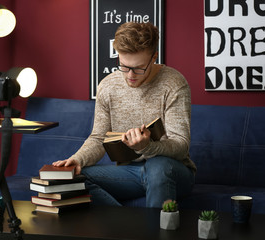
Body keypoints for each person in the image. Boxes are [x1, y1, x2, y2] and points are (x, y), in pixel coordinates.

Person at [53, 22, 196, 208]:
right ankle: (125, 225)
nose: (130, 75)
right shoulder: (108, 86)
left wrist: (148, 146)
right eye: (124, 66)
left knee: (158, 167)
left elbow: (181, 145)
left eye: (138, 68)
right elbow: (99, 138)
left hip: (172, 171)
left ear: (154, 57)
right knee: (70, 179)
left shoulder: (174, 84)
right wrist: (78, 159)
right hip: (130, 172)